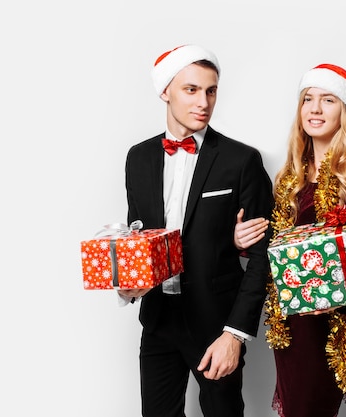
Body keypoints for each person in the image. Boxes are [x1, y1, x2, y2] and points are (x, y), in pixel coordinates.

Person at [118, 44, 274, 417]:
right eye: (191, 90)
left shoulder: (241, 160)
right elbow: (139, 238)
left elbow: (262, 254)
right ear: (165, 91)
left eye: (211, 90)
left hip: (215, 323)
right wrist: (130, 282)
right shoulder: (137, 158)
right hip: (158, 321)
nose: (204, 101)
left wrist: (235, 334)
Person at [234, 63, 346, 417]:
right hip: (288, 329)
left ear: (344, 113)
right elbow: (274, 247)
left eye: (328, 100)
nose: (315, 109)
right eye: (308, 100)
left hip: (326, 333)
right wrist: (241, 239)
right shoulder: (290, 177)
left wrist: (334, 298)